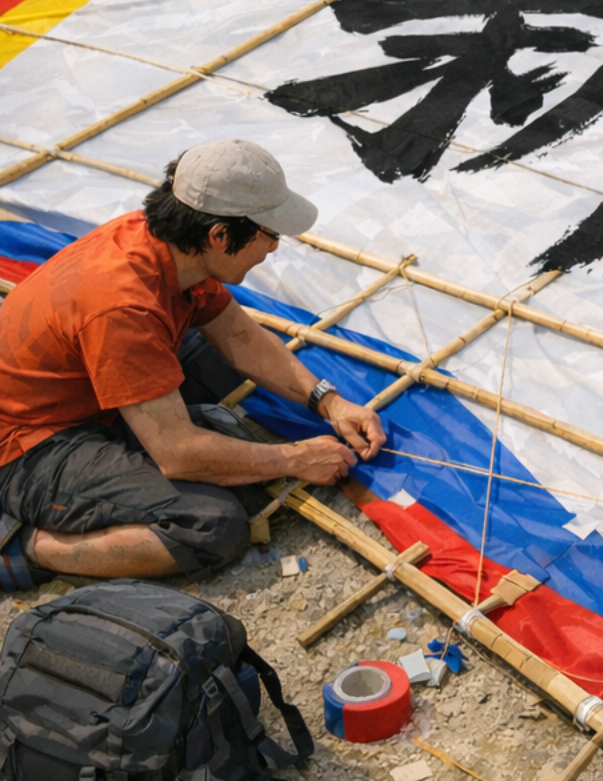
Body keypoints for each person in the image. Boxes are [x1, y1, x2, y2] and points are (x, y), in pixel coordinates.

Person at [0, 140, 385, 590]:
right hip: (28, 446)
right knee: (212, 526)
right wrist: (296, 459)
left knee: (216, 375)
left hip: (79, 399)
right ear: (219, 236)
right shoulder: (123, 307)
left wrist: (329, 402)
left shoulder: (170, 249)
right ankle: (28, 549)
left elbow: (239, 337)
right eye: (269, 235)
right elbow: (178, 454)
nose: (273, 248)